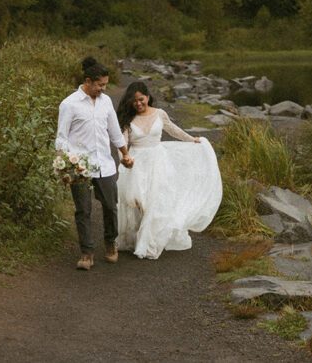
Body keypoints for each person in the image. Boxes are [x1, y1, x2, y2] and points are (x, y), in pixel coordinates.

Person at [115, 81, 222, 259]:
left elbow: (173, 130)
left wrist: (191, 140)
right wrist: (124, 159)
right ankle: (137, 237)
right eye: (134, 101)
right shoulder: (128, 119)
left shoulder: (160, 114)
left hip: (159, 162)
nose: (138, 104)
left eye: (141, 99)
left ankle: (149, 243)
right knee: (139, 201)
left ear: (147, 97)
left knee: (156, 202)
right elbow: (122, 144)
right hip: (137, 163)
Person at [55, 57, 134, 270]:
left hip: (105, 164)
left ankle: (110, 242)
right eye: (100, 85)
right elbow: (61, 137)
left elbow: (115, 131)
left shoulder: (106, 101)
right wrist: (65, 163)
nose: (103, 89)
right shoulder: (69, 104)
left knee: (110, 206)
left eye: (105, 85)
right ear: (88, 81)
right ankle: (87, 252)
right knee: (83, 210)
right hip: (79, 166)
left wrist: (124, 154)